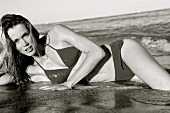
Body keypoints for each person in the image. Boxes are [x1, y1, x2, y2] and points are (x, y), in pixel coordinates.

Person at [1, 14, 170, 91]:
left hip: (123, 55)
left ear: (31, 30)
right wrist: (3, 56)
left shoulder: (56, 34)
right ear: (12, 45)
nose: (24, 43)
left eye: (25, 35)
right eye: (16, 41)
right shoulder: (32, 68)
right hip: (124, 77)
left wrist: (69, 83)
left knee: (166, 88)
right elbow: (6, 79)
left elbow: (97, 52)